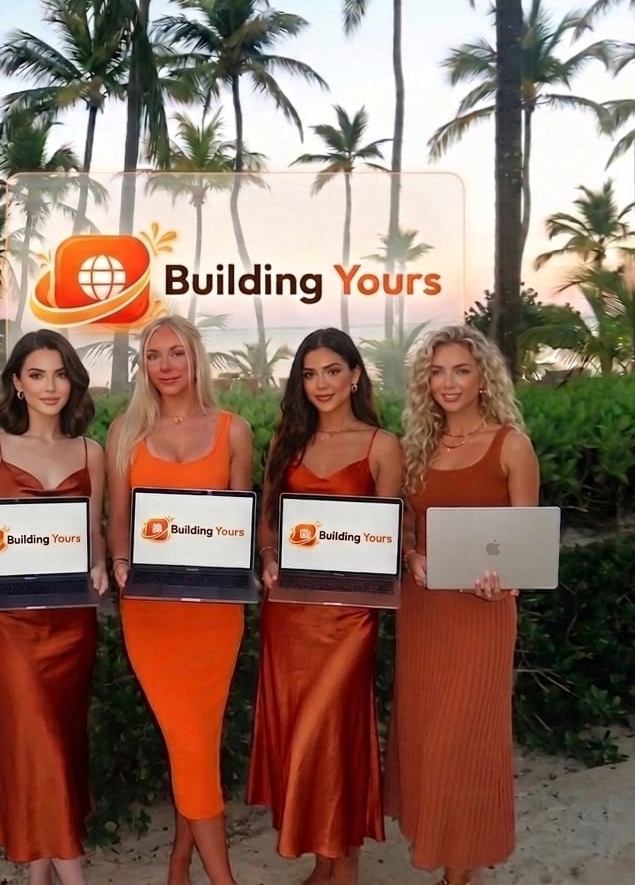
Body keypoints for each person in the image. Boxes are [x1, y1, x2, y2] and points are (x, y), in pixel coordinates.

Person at [0, 329, 108, 885]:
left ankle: (39, 876)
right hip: (9, 624)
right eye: (37, 375)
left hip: (71, 623)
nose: (50, 386)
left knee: (59, 741)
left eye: (60, 374)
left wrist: (99, 566)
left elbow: (93, 533)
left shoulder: (91, 452)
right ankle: (74, 874)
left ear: (73, 381)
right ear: (17, 383)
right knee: (35, 738)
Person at [384, 324, 540, 885]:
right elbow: (403, 527)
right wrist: (410, 555)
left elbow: (525, 545)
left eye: (461, 370)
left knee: (463, 740)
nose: (448, 383)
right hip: (425, 613)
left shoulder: (511, 446)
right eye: (437, 372)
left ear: (483, 379)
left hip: (482, 616)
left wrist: (507, 579)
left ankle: (458, 871)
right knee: (428, 737)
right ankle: (443, 848)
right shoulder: (415, 448)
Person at [247, 328, 404, 885]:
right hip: (289, 614)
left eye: (332, 371)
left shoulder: (382, 446)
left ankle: (345, 865)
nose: (321, 384)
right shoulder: (287, 442)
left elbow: (390, 534)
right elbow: (268, 522)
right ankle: (325, 863)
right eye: (310, 374)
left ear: (355, 375)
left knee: (334, 733)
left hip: (349, 618)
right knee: (301, 739)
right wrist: (268, 557)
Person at [104, 315, 254, 885]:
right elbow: (119, 520)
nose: (164, 366)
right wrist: (121, 563)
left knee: (196, 741)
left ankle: (181, 862)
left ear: (196, 359)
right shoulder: (125, 432)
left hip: (214, 613)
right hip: (152, 613)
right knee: (188, 740)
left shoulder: (233, 431)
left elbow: (240, 522)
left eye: (176, 353)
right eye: (153, 355)